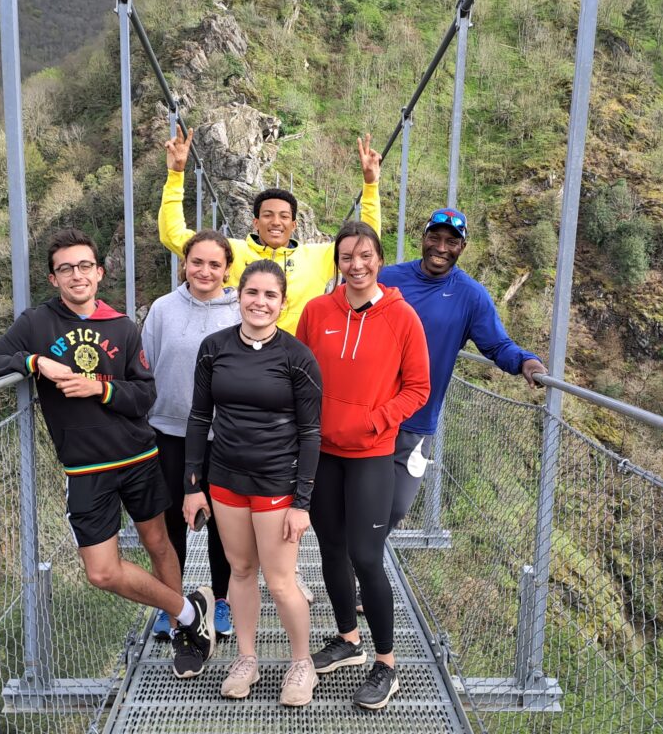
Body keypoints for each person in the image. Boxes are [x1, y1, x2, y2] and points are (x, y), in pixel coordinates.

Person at [0, 228, 216, 679]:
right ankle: (188, 610)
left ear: (99, 273)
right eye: (66, 269)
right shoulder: (36, 325)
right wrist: (33, 362)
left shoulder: (122, 326)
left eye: (84, 266)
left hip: (138, 457)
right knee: (102, 572)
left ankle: (184, 632)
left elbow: (145, 397)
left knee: (159, 543)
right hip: (85, 467)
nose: (76, 275)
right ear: (53, 278)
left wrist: (98, 388)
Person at [296, 223, 430, 710]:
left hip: (372, 455)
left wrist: (376, 421)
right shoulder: (316, 312)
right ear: (338, 261)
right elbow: (299, 372)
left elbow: (418, 387)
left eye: (366, 255)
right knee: (330, 547)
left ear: (379, 259)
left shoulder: (402, 317)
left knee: (366, 556)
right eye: (347, 255)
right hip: (322, 453)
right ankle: (349, 640)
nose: (356, 264)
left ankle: (386, 664)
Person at [183, 260, 323, 707]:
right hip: (225, 479)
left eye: (270, 296)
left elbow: (311, 433)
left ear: (282, 305)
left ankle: (302, 664)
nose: (259, 302)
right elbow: (199, 417)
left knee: (281, 581)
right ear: (238, 295)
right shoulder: (213, 348)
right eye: (252, 293)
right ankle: (247, 658)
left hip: (276, 481)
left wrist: (302, 502)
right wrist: (192, 485)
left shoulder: (297, 358)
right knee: (240, 571)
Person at [379, 208, 548, 531]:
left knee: (396, 507)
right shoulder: (389, 279)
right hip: (372, 411)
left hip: (418, 419)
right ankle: (350, 568)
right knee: (358, 499)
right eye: (435, 238)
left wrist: (526, 360)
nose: (441, 248)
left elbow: (497, 345)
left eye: (451, 242)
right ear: (423, 238)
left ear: (462, 248)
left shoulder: (471, 296)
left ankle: (359, 560)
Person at [157, 125, 383, 335]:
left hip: (296, 359)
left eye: (284, 216)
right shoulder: (230, 252)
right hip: (242, 355)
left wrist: (370, 186)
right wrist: (176, 174)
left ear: (294, 225)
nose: (276, 222)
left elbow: (366, 242)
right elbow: (173, 235)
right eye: (267, 215)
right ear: (255, 222)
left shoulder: (316, 257)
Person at [141, 229, 240, 643]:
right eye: (196, 262)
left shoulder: (239, 311)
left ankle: (221, 600)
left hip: (223, 435)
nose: (204, 270)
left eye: (214, 264)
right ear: (184, 264)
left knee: (224, 523)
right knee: (169, 523)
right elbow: (145, 366)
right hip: (169, 430)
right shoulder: (163, 309)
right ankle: (172, 603)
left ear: (227, 269)